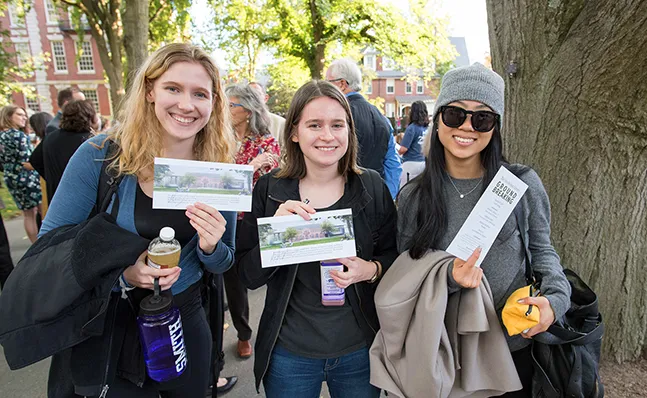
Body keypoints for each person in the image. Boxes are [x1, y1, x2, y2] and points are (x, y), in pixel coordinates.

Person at [40, 43, 237, 397]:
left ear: (214, 103)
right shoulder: (99, 157)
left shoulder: (217, 169)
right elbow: (50, 246)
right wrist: (123, 273)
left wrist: (210, 247)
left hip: (185, 321)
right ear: (149, 90)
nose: (186, 105)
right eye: (173, 88)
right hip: (111, 326)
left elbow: (225, 260)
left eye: (200, 94)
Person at [396, 63, 571, 397]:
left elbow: (544, 254)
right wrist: (448, 276)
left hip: (511, 349)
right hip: (441, 349)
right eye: (454, 115)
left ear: (495, 127)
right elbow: (405, 273)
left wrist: (555, 301)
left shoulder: (521, 184)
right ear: (437, 120)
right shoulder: (413, 196)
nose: (467, 127)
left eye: (482, 118)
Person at [236, 80, 398, 397]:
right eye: (314, 125)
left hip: (359, 350)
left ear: (349, 132)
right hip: (289, 354)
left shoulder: (372, 187)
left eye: (337, 125)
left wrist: (372, 270)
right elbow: (247, 275)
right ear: (295, 132)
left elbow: (395, 257)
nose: (327, 135)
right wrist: (275, 236)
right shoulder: (269, 190)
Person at [224, 83, 280, 360]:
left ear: (247, 110)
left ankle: (278, 327)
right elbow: (218, 180)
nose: (226, 109)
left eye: (231, 104)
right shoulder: (219, 139)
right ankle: (244, 333)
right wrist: (250, 167)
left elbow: (271, 180)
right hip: (226, 219)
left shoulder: (266, 141)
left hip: (256, 219)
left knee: (263, 274)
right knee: (233, 282)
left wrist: (246, 171)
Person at [325, 59, 401, 199]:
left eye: (327, 82)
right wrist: (388, 199)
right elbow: (393, 165)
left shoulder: (334, 115)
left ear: (342, 84)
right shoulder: (382, 119)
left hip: (340, 198)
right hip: (376, 196)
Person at [29, 100, 99, 204]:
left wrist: (52, 178)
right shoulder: (90, 141)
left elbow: (35, 160)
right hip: (84, 200)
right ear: (90, 116)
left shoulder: (51, 137)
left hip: (56, 196)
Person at [0, 105, 41, 243]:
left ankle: (34, 245)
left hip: (11, 177)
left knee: (28, 214)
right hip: (27, 177)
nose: (24, 118)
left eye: (24, 115)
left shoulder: (1, 136)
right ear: (8, 116)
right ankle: (41, 245)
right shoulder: (19, 135)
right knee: (41, 211)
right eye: (19, 115)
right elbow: (28, 162)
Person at [397, 100, 428, 188]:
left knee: (405, 191)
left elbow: (403, 149)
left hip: (410, 164)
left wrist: (397, 151)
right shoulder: (427, 128)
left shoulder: (411, 128)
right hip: (424, 163)